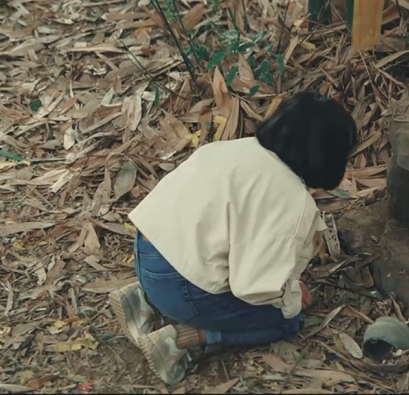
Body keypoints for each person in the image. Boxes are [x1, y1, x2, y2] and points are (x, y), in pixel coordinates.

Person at [110, 91, 358, 385]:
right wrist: (289, 294)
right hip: (180, 286)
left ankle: (142, 301)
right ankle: (179, 341)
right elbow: (251, 287)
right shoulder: (292, 199)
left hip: (145, 254)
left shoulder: (233, 149)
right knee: (284, 321)